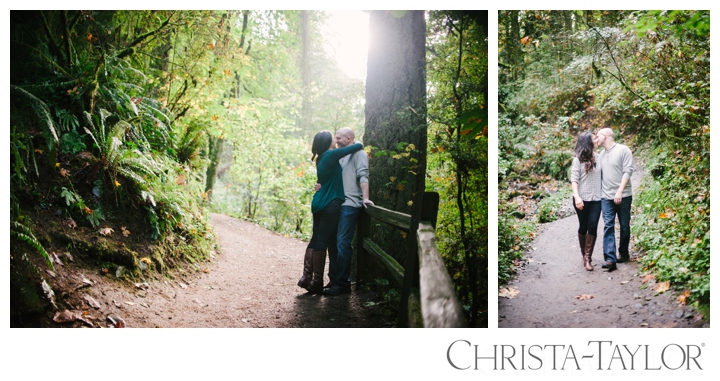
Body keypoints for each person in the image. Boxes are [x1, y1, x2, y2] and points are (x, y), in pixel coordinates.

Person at [297, 130, 364, 294]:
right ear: (328, 143)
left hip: (318, 202)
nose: (335, 140)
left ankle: (306, 277)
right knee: (323, 241)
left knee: (315, 238)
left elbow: (323, 180)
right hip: (331, 203)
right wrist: (348, 140)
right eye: (333, 139)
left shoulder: (320, 158)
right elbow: (358, 146)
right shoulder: (331, 155)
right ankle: (317, 281)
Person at [317, 127, 373, 296]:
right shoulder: (340, 156)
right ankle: (334, 280)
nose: (336, 140)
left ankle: (342, 284)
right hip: (335, 204)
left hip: (350, 204)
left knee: (342, 243)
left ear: (349, 139)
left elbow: (363, 175)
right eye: (335, 137)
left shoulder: (360, 154)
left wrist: (365, 198)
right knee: (332, 243)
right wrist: (321, 186)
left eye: (339, 137)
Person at [595, 127, 634, 271]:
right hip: (606, 196)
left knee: (624, 226)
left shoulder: (624, 150)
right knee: (608, 225)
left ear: (604, 136)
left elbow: (628, 171)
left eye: (598, 136)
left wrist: (619, 191)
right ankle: (610, 259)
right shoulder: (600, 155)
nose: (596, 138)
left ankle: (623, 253)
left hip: (623, 195)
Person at [570, 131, 602, 271]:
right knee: (583, 226)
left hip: (597, 199)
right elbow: (574, 179)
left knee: (593, 225)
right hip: (582, 198)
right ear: (587, 142)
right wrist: (577, 197)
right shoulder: (577, 160)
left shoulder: (599, 157)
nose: (596, 140)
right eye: (594, 138)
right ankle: (584, 254)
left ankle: (588, 258)